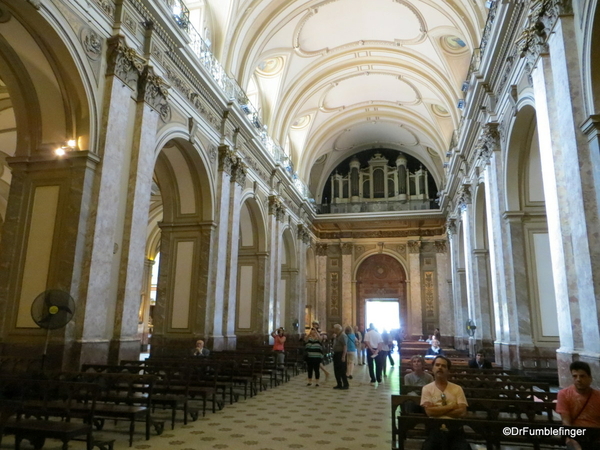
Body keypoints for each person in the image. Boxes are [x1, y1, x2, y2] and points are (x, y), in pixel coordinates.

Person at [420, 355, 471, 450]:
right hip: (434, 428)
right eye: (437, 365)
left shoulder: (457, 388)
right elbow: (429, 412)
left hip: (455, 429)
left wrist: (437, 409)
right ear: (433, 368)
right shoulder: (427, 388)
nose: (440, 368)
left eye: (443, 366)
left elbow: (462, 412)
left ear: (448, 370)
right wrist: (452, 406)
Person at [556, 361, 600, 450]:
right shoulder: (564, 394)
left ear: (590, 378)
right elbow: (566, 421)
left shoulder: (598, 396)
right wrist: (571, 438)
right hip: (575, 433)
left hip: (596, 434)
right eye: (575, 376)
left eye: (582, 376)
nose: (578, 379)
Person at [331, 324, 349, 390]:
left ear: (337, 329)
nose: (333, 330)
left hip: (341, 354)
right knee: (336, 370)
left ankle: (345, 384)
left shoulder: (343, 335)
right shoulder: (337, 335)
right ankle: (339, 384)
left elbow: (345, 346)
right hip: (336, 354)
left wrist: (343, 356)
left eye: (334, 329)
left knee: (342, 370)